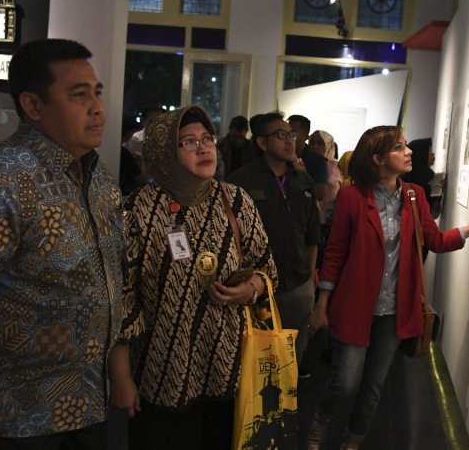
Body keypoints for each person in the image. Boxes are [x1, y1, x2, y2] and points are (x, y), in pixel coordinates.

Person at [0, 38, 124, 448]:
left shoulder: (99, 181)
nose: (97, 107)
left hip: (89, 402)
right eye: (79, 95)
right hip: (10, 415)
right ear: (33, 106)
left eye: (96, 93)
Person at [306, 125, 469, 450]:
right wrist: (322, 303)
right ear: (378, 158)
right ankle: (322, 419)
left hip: (394, 310)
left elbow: (434, 240)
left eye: (407, 146)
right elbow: (335, 253)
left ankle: (353, 442)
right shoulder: (352, 197)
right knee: (345, 383)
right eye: (398, 147)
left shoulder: (414, 195)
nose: (408, 152)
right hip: (354, 305)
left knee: (374, 385)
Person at [109, 105, 277, 450]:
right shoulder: (138, 209)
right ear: (165, 151)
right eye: (188, 142)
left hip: (229, 373)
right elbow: (122, 300)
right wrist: (121, 377)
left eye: (207, 139)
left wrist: (248, 289)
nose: (203, 148)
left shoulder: (236, 201)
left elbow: (267, 269)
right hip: (161, 375)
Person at [228, 112, 321, 371]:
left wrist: (309, 278)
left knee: (291, 359)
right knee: (254, 361)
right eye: (281, 135)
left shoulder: (303, 180)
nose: (289, 140)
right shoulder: (241, 181)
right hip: (256, 286)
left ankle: (285, 407)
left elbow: (313, 234)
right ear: (262, 143)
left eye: (291, 135)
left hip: (297, 284)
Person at [288, 114, 329, 201]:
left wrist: (302, 176)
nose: (288, 138)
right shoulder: (279, 155)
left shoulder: (318, 161)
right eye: (285, 133)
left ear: (306, 137)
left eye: (293, 134)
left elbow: (320, 195)